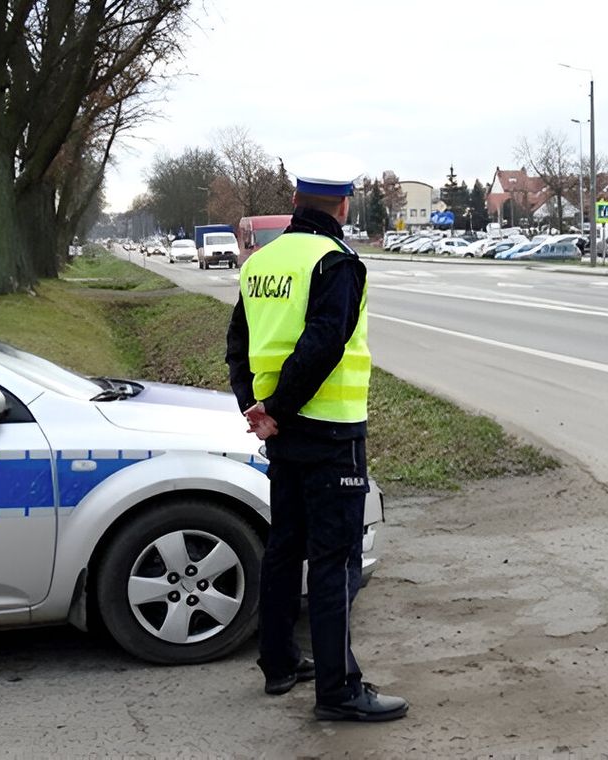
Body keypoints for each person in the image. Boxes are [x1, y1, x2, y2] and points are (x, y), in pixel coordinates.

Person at [225, 165, 409, 722]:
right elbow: (325, 343)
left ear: (296, 201)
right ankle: (339, 689)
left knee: (285, 548)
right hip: (331, 433)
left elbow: (239, 343)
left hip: (282, 435)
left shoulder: (261, 263)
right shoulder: (338, 262)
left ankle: (279, 663)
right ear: (344, 208)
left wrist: (254, 410)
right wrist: (277, 408)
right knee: (334, 560)